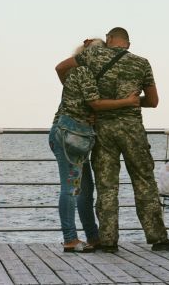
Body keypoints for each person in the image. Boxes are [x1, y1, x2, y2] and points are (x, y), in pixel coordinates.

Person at [55, 27, 169, 253]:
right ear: (128, 44)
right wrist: (130, 100)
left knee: (107, 186)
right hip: (132, 129)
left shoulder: (92, 55)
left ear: (109, 40)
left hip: (102, 129)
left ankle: (108, 241)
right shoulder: (142, 63)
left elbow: (61, 68)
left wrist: (78, 94)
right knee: (144, 182)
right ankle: (158, 238)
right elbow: (153, 101)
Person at [50, 38, 142, 253]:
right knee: (71, 188)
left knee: (84, 190)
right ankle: (70, 239)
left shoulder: (81, 74)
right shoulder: (83, 72)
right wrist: (128, 102)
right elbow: (95, 103)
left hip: (74, 133)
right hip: (70, 133)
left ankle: (93, 236)